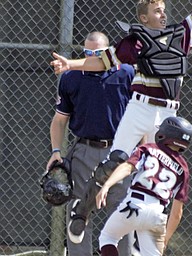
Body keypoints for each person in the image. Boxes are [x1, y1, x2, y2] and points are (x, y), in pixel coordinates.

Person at [50, 0, 192, 244]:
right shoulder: (135, 42)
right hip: (140, 107)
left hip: (167, 116)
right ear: (144, 18)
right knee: (115, 159)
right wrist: (69, 64)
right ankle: (81, 213)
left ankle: (145, 238)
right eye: (156, 11)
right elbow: (101, 62)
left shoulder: (181, 34)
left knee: (158, 172)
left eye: (163, 10)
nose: (162, 14)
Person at [46, 31, 136, 256]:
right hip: (85, 150)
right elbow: (59, 120)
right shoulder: (72, 77)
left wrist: (142, 153)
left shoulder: (125, 73)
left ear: (108, 54)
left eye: (97, 53)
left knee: (123, 212)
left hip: (120, 152)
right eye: (87, 52)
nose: (91, 57)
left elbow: (138, 117)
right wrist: (56, 151)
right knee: (78, 214)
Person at [95, 116, 192, 256]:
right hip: (157, 214)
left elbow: (127, 167)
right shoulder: (183, 168)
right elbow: (177, 213)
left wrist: (107, 185)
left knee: (108, 237)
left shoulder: (149, 149)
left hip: (134, 204)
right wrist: (166, 238)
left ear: (165, 133)